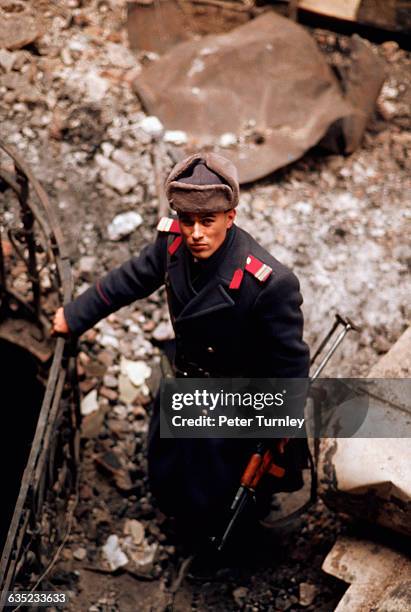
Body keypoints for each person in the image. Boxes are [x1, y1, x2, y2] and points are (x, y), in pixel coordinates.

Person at [52, 152, 309, 548]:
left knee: (224, 485)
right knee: (172, 462)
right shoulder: (173, 242)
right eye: (187, 221)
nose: (196, 233)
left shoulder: (266, 282)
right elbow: (132, 278)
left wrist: (281, 426)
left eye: (208, 221)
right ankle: (178, 516)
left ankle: (222, 541)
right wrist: (77, 314)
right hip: (186, 376)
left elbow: (289, 362)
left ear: (231, 217)